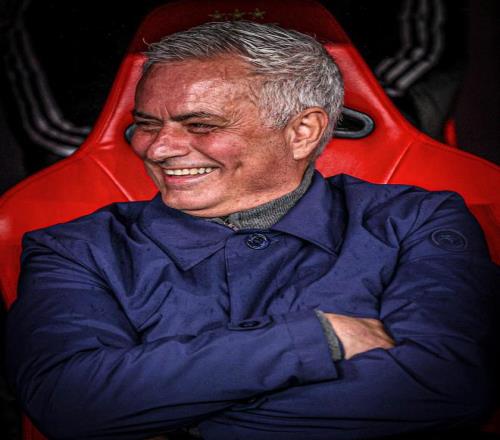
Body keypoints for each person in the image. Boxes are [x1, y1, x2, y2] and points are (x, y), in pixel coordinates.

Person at [5, 21, 498, 440]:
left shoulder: (417, 221)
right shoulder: (74, 249)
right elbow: (68, 402)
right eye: (147, 124)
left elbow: (447, 384)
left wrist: (180, 424)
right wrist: (318, 339)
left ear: (302, 131)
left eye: (200, 124)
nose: (157, 149)